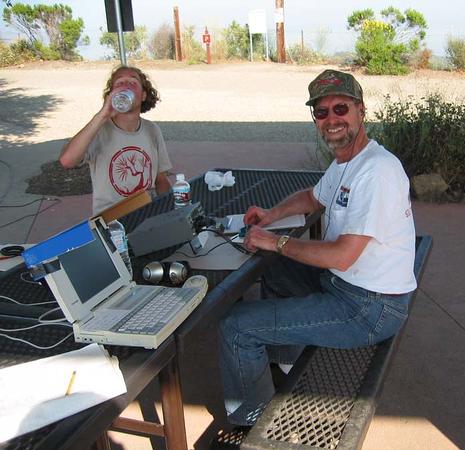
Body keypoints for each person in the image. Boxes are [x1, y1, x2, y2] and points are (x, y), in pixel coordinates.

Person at [218, 69, 417, 427]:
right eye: (322, 112)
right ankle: (288, 363)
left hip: (370, 308)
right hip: (348, 285)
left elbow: (342, 255)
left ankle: (253, 426)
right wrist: (270, 215)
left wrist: (276, 241)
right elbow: (312, 197)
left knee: (235, 326)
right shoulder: (348, 162)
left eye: (340, 108)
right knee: (273, 267)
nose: (331, 119)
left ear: (361, 110)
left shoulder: (377, 171)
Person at [60, 65, 172, 214]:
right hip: (111, 218)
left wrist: (171, 209)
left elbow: (161, 179)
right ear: (111, 95)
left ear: (143, 95)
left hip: (147, 212)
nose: (126, 86)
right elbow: (67, 161)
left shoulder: (152, 130)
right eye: (120, 83)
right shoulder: (98, 129)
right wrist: (102, 115)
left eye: (132, 82)